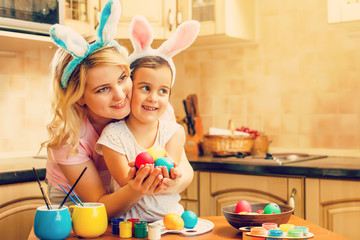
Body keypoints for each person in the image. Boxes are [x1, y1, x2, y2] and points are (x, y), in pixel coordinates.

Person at [41, 0, 193, 218]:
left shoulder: (147, 107)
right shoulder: (70, 136)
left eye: (123, 78)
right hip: (76, 201)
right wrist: (138, 188)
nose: (121, 95)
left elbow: (185, 169)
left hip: (132, 194)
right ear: (80, 98)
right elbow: (100, 206)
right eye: (103, 89)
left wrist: (172, 181)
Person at [95, 15, 200, 221]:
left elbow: (169, 173)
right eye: (145, 88)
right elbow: (127, 182)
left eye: (163, 91)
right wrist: (158, 175)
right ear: (128, 88)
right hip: (129, 227)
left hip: (171, 224)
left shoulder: (174, 132)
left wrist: (173, 178)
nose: (153, 98)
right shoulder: (113, 136)